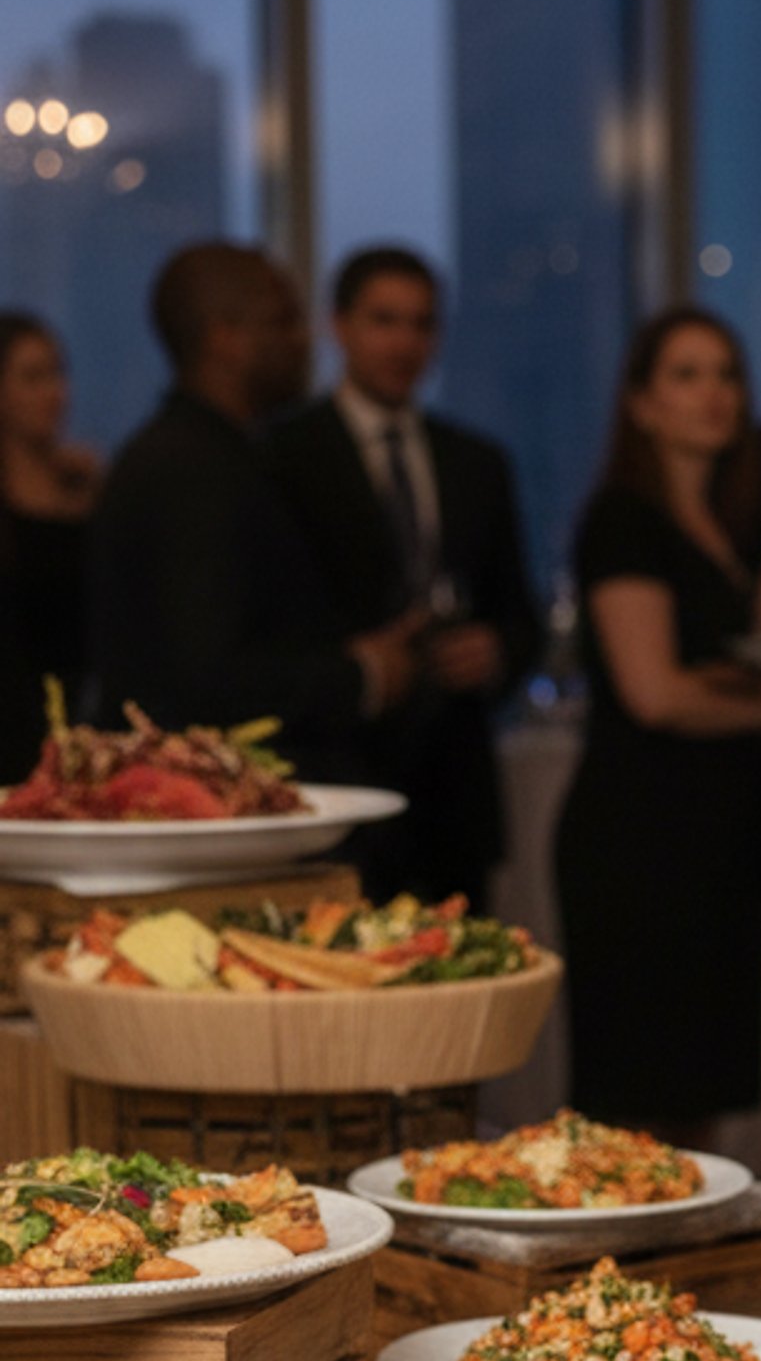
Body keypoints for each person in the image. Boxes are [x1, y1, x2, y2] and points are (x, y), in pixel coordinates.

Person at [554, 307, 761, 1138]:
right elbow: (657, 694)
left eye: (727, 373)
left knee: (700, 1101)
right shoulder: (624, 517)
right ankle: (623, 1268)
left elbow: (726, 666)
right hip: (640, 845)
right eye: (686, 374)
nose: (714, 393)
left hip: (716, 843)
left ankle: (674, 1269)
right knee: (640, 1102)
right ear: (641, 403)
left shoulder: (732, 525)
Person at [270, 246, 540, 906]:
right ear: (340, 326)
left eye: (421, 325)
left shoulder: (475, 461)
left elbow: (520, 613)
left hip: (453, 789)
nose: (404, 343)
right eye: (384, 321)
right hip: (339, 774)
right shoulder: (283, 454)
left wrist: (497, 650)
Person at [87, 243, 417, 774]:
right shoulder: (191, 467)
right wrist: (361, 674)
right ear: (224, 338)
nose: (302, 339)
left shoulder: (213, 452)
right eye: (281, 320)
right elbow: (205, 678)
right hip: (207, 813)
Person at [0, 312, 96, 786]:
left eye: (58, 373)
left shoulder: (89, 489)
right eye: (33, 377)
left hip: (87, 718)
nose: (54, 392)